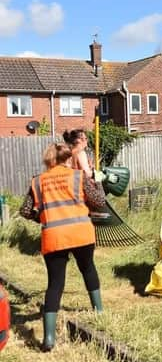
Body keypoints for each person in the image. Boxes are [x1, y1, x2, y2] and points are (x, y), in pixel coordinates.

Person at [20, 143, 105, 351]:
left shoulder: (38, 181)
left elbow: (25, 210)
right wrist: (99, 181)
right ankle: (99, 312)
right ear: (67, 159)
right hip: (81, 233)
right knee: (88, 269)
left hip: (54, 236)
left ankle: (49, 339)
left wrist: (42, 218)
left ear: (49, 160)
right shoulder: (78, 177)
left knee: (55, 283)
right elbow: (99, 201)